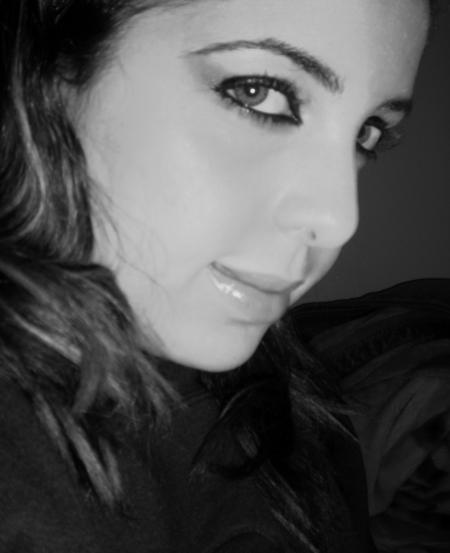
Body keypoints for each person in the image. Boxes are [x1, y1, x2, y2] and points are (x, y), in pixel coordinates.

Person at [0, 1, 435, 552]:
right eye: (258, 93)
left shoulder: (284, 402)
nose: (338, 220)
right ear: (54, 71)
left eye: (367, 134)